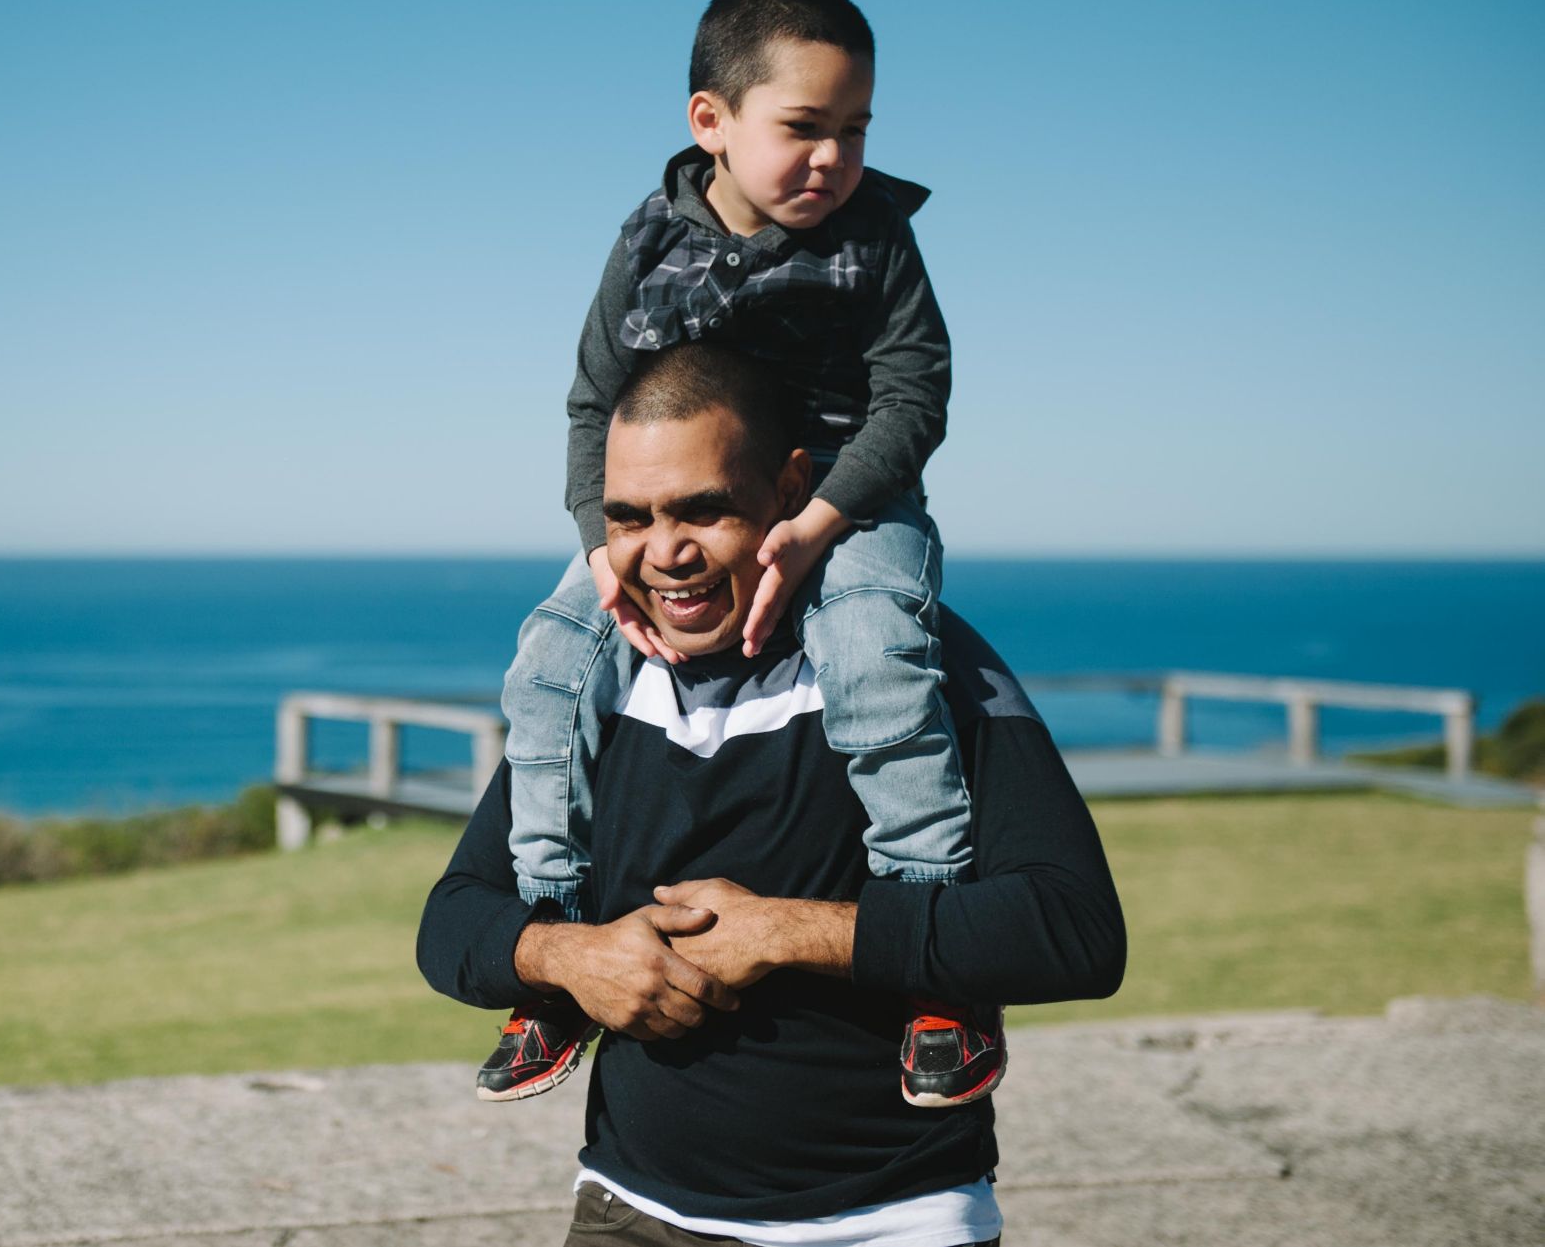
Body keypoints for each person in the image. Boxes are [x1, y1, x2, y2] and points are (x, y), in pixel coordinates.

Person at [418, 344, 1125, 1246]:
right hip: (629, 1213)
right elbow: (451, 921)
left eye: (703, 511)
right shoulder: (591, 686)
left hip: (894, 1222)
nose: (664, 553)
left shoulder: (907, 664)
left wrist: (790, 933)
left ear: (791, 488)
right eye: (627, 517)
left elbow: (1074, 931)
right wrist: (569, 957)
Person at [484, 0, 982, 1108]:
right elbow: (589, 406)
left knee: (871, 657)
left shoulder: (876, 240)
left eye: (854, 130)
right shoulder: (647, 243)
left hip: (842, 505)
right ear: (710, 121)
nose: (833, 159)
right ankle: (555, 940)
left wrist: (814, 527)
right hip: (681, 507)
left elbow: (914, 398)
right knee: (546, 666)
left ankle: (930, 952)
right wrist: (600, 545)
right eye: (802, 128)